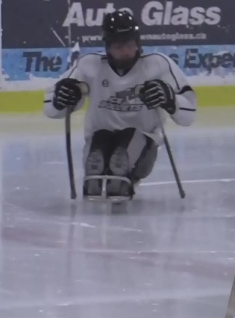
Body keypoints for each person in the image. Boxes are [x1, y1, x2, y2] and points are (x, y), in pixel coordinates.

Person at [43, 10, 197, 198]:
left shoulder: (157, 65)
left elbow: (189, 114)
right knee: (99, 145)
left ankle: (123, 176)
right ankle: (99, 175)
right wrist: (62, 99)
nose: (125, 51)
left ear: (138, 43)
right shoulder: (89, 65)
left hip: (143, 142)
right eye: (118, 45)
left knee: (128, 144)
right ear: (107, 46)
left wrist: (170, 100)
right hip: (99, 137)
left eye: (130, 44)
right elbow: (50, 108)